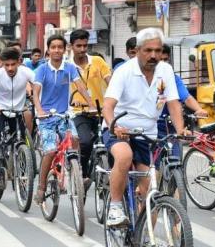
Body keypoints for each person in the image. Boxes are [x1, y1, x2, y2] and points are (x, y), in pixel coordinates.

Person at [102, 28, 187, 227]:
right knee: (124, 156)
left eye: (158, 51)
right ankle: (115, 207)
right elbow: (108, 106)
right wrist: (115, 126)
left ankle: (145, 241)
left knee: (150, 192)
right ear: (138, 50)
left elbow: (174, 103)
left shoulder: (165, 70)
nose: (154, 55)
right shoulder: (124, 71)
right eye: (148, 50)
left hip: (148, 134)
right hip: (119, 129)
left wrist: (181, 129)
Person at [32, 34, 92, 205]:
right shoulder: (42, 70)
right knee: (50, 151)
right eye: (53, 47)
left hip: (64, 115)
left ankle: (77, 174)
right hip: (46, 118)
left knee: (75, 139)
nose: (57, 50)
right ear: (48, 50)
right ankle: (42, 187)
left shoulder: (69, 68)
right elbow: (35, 92)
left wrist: (91, 104)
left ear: (65, 49)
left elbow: (80, 86)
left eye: (60, 47)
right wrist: (40, 110)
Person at [0, 48, 34, 187]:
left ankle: (24, 166)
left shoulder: (26, 73)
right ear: (2, 64)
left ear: (19, 63)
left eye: (13, 64)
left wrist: (39, 101)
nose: (10, 68)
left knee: (22, 140)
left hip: (18, 111)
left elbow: (40, 86)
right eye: (6, 65)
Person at [69, 29, 111, 187]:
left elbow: (109, 80)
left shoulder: (98, 62)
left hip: (101, 111)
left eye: (85, 46)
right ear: (71, 46)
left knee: (112, 143)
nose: (82, 49)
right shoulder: (67, 66)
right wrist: (73, 102)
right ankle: (84, 174)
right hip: (79, 113)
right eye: (78, 45)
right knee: (85, 142)